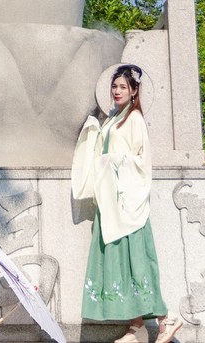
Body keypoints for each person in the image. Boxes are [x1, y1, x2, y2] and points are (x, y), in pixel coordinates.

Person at [71, 64, 183, 343]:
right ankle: (137, 327)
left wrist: (113, 162)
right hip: (111, 204)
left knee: (137, 262)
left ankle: (166, 318)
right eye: (114, 86)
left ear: (134, 91)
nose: (117, 91)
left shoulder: (134, 121)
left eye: (123, 87)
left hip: (128, 203)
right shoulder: (112, 119)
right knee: (122, 264)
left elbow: (141, 161)